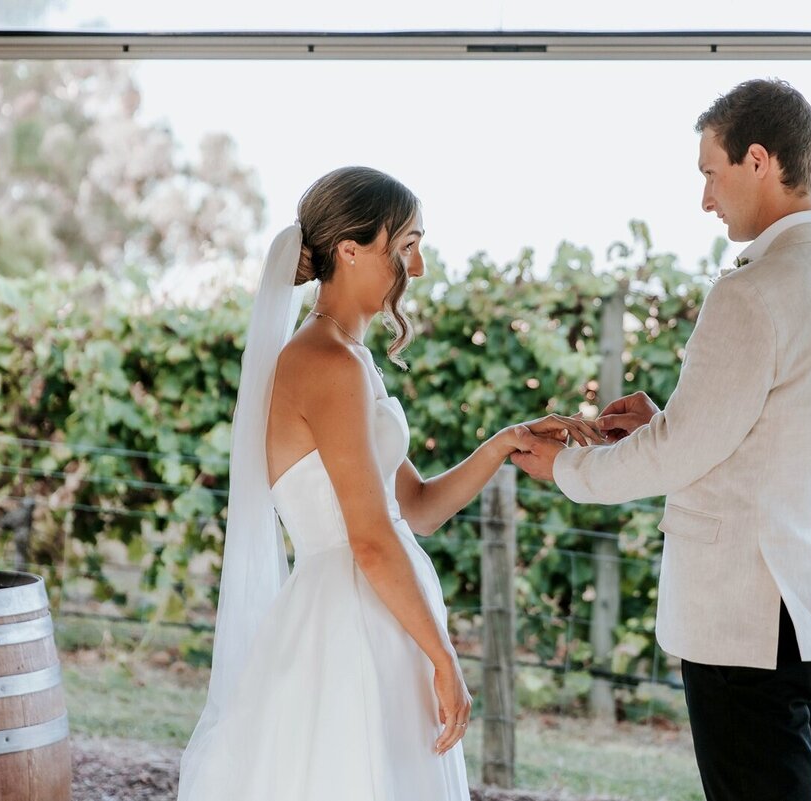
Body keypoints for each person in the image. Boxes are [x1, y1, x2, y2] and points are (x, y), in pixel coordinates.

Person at [512, 79, 811, 801]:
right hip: (807, 608)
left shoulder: (752, 292)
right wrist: (667, 424)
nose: (705, 199)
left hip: (743, 616)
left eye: (709, 174)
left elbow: (678, 455)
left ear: (758, 160)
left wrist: (568, 465)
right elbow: (783, 443)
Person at [177, 166, 599, 801]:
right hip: (348, 626)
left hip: (380, 614)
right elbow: (371, 540)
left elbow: (417, 509)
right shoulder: (324, 362)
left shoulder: (351, 357)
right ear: (350, 250)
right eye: (406, 247)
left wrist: (505, 443)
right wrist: (444, 658)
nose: (419, 267)